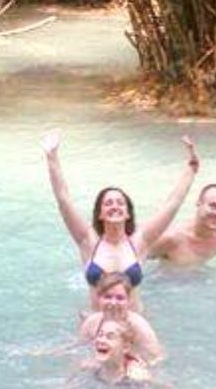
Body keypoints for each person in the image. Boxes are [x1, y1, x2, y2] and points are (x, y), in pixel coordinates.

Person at [43, 131, 200, 307]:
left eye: (120, 203)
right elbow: (64, 199)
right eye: (108, 203)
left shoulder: (140, 241)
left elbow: (172, 204)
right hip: (99, 326)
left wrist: (191, 171)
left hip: (132, 324)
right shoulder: (88, 241)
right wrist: (51, 157)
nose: (114, 206)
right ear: (100, 214)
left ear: (127, 213)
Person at [78, 273, 165, 364]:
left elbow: (156, 359)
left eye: (120, 298)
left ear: (128, 300)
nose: (113, 303)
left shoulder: (140, 327)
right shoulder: (91, 323)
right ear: (99, 298)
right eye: (108, 297)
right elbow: (80, 349)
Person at [81, 318, 152, 385]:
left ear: (125, 347)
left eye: (110, 337)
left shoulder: (137, 377)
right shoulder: (89, 368)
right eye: (100, 335)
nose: (101, 340)